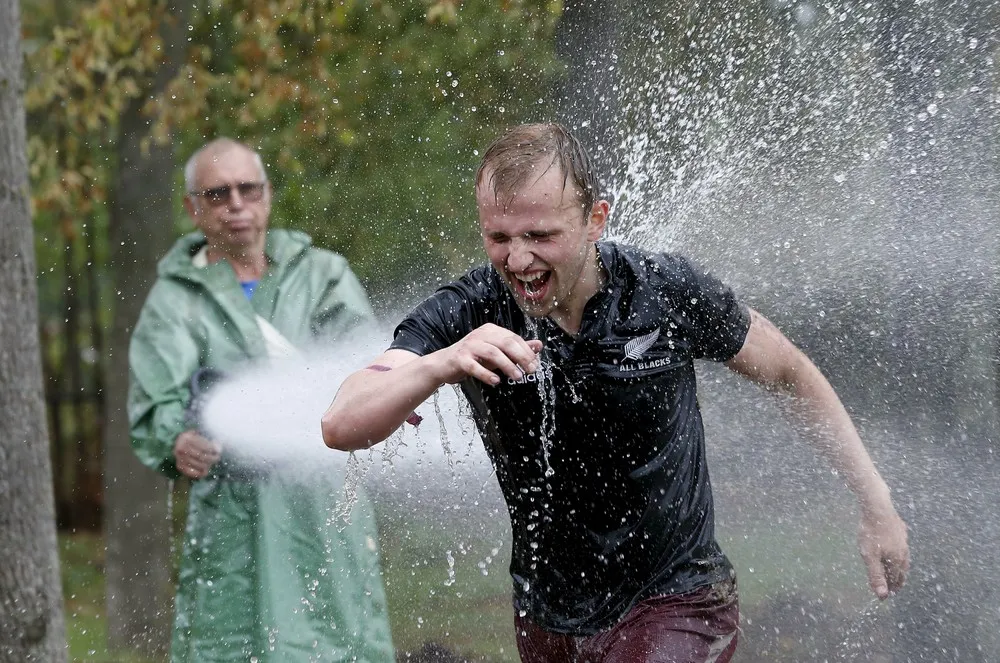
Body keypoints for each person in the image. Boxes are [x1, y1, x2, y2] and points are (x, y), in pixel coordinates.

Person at [320, 123, 910, 662]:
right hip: (547, 612)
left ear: (595, 219)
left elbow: (789, 372)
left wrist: (875, 503)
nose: (517, 258)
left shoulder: (667, 293)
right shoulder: (470, 312)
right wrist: (438, 366)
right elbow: (341, 422)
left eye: (540, 235)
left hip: (677, 599)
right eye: (498, 236)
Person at [128, 138, 394, 663]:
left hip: (322, 503)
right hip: (232, 514)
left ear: (268, 196)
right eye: (217, 193)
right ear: (193, 208)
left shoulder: (323, 276)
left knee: (336, 639)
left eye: (248, 189)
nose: (236, 204)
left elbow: (370, 371)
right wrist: (175, 440)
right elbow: (155, 401)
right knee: (235, 645)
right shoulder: (176, 299)